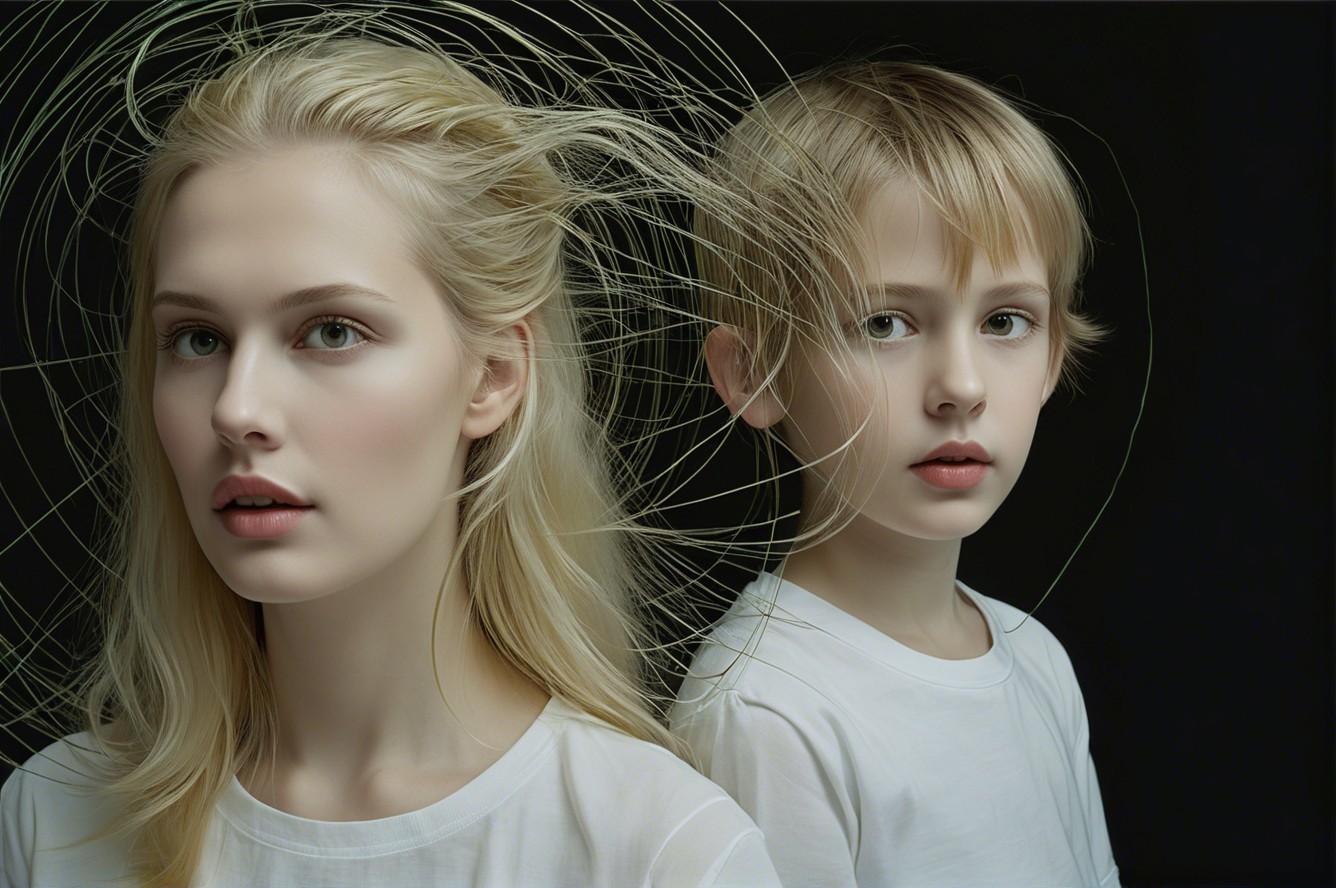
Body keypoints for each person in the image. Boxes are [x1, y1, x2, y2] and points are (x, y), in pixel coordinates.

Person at [0, 24, 779, 887]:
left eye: (330, 331)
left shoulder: (658, 852)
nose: (238, 408)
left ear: (492, 376)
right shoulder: (54, 821)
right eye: (197, 338)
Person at [672, 60, 1120, 886]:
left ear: (1054, 355)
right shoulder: (769, 715)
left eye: (1005, 321)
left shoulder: (1035, 661)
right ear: (754, 374)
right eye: (886, 322)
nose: (961, 386)